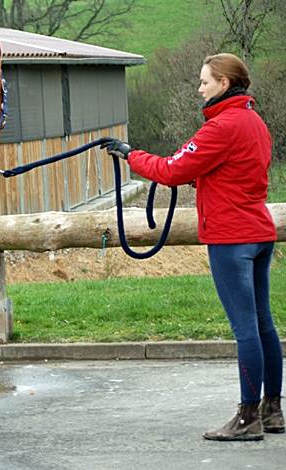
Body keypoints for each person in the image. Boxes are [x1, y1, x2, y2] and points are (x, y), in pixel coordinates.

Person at [101, 53, 284, 441]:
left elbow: (170, 170)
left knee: (246, 330)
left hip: (230, 238)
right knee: (264, 326)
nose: (199, 88)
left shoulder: (221, 127)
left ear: (223, 83)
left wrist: (130, 154)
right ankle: (272, 410)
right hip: (259, 233)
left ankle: (247, 417)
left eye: (204, 81)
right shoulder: (255, 123)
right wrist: (201, 180)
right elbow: (236, 174)